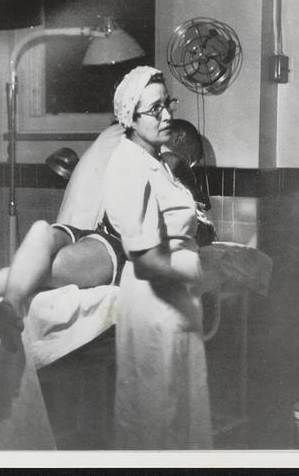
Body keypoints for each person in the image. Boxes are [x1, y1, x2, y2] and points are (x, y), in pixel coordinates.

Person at [0, 118, 211, 352]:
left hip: (117, 248)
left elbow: (204, 230)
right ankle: (3, 305)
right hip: (98, 233)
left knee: (46, 260)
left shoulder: (171, 164)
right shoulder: (142, 157)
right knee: (42, 233)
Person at [102, 66, 212, 449]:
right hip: (154, 305)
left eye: (168, 104)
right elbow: (146, 261)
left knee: (181, 415)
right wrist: (197, 275)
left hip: (176, 302)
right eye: (155, 109)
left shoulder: (159, 162)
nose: (167, 115)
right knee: (155, 420)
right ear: (130, 117)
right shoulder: (128, 167)